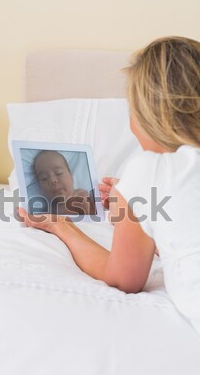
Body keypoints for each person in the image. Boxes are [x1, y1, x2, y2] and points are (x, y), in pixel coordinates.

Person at [19, 36, 200, 333]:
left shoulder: (147, 171)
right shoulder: (153, 179)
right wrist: (144, 209)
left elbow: (122, 279)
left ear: (147, 116)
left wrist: (60, 225)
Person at [33, 150, 95, 215]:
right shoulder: (49, 209)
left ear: (71, 177)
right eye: (44, 178)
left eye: (58, 173)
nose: (53, 180)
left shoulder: (81, 195)